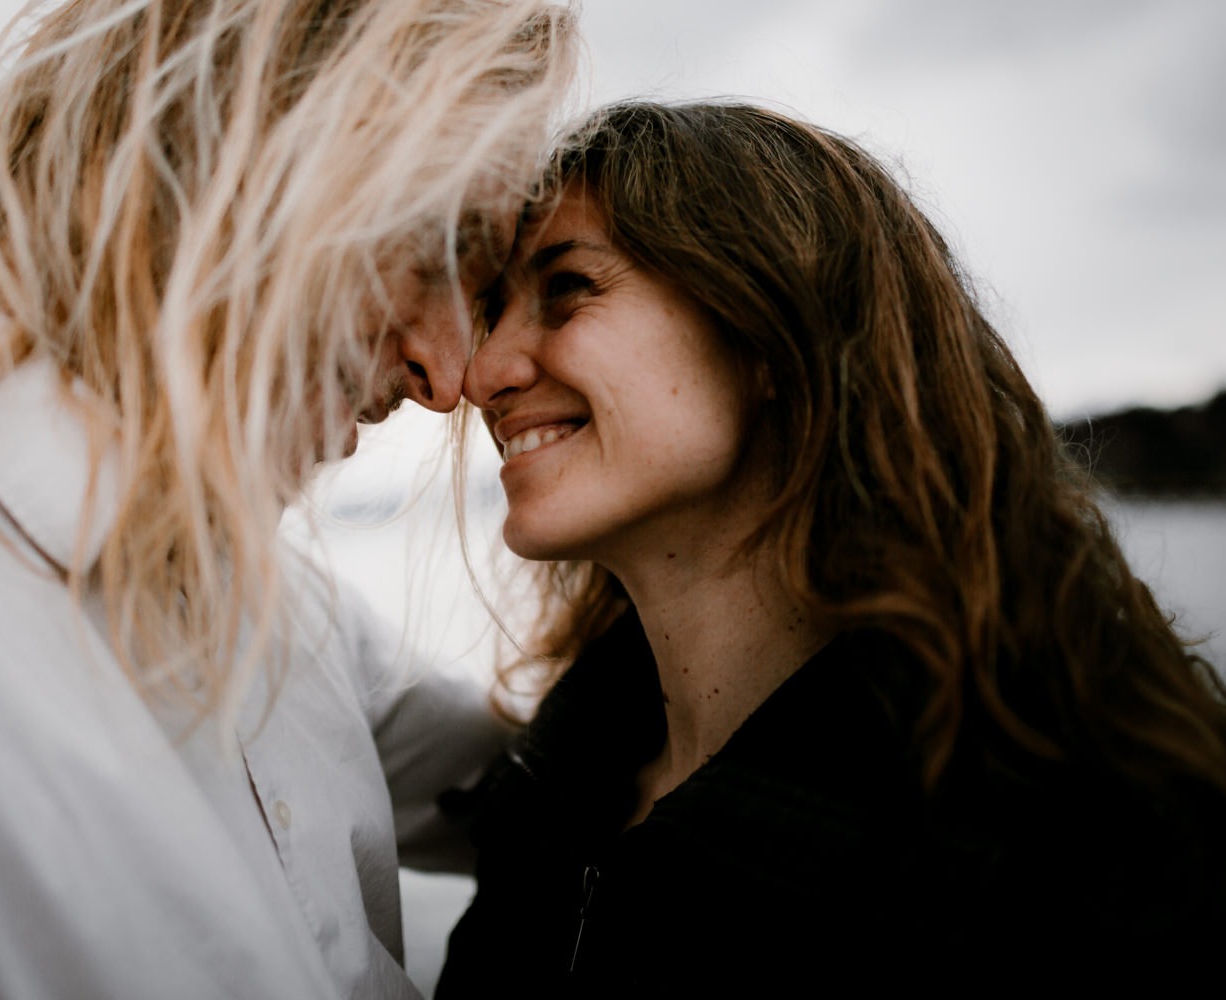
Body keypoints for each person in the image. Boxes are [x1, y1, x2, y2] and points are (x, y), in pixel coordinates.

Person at [0, 1, 576, 997]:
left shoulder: (273, 601)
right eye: (433, 242)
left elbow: (564, 786)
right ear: (238, 140)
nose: (448, 373)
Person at [435, 100, 1226, 996]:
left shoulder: (1063, 841)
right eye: (492, 313)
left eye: (568, 289)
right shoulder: (554, 787)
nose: (483, 371)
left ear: (773, 330)